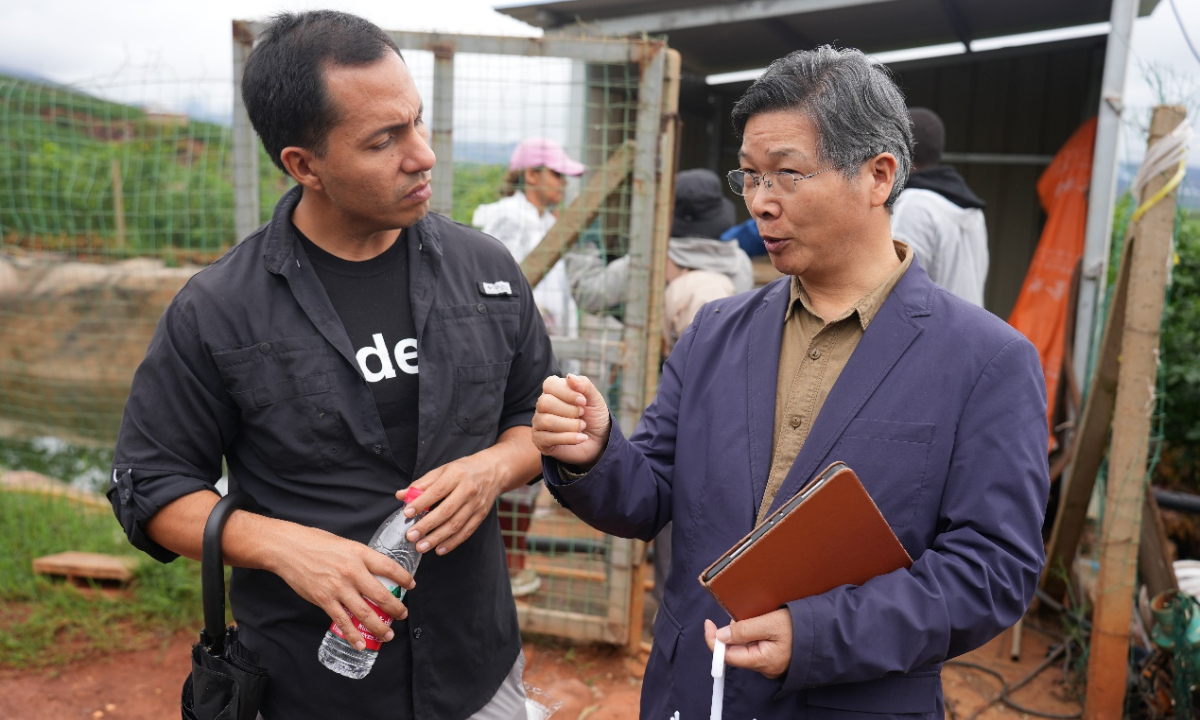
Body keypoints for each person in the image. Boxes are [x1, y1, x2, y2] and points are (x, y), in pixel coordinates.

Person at [531, 46, 1049, 720]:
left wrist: (818, 633)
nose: (760, 204)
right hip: (695, 691)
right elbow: (651, 491)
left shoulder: (985, 360)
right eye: (748, 176)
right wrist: (594, 454)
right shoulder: (717, 330)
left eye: (786, 175)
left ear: (879, 175)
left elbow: (992, 570)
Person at [107, 11, 557, 720]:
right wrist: (285, 547)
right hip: (308, 683)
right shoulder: (219, 308)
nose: (422, 155)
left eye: (416, 122)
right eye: (384, 140)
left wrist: (492, 468)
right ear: (303, 164)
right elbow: (152, 488)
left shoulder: (486, 270)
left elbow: (535, 416)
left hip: (478, 664)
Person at [471, 137, 586, 597]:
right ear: (532, 175)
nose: (563, 184)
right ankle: (508, 566)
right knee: (518, 446)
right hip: (516, 357)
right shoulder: (508, 218)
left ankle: (510, 562)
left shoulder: (541, 218)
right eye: (556, 174)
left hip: (541, 352)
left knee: (531, 451)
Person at [564, 168, 753, 353]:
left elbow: (589, 293)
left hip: (660, 375)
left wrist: (587, 238)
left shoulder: (650, 261)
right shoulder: (740, 262)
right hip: (723, 369)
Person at [890, 107, 989, 306]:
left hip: (930, 335)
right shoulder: (970, 209)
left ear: (900, 147)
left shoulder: (913, 205)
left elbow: (895, 290)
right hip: (969, 331)